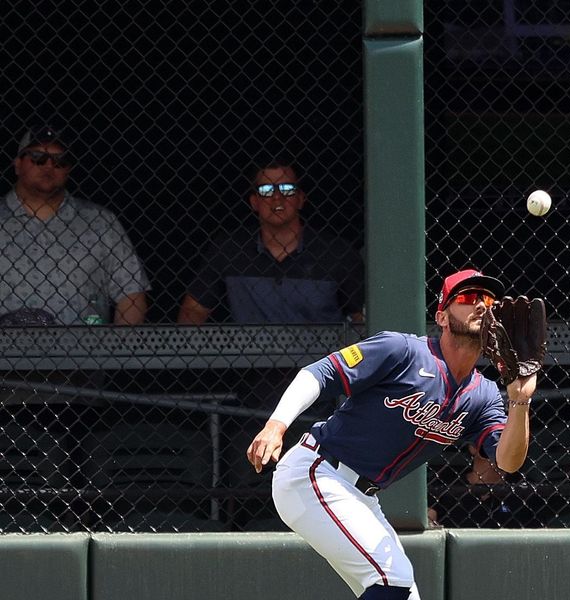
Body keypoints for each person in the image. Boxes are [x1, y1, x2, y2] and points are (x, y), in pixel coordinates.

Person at [246, 269, 538, 599]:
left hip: (362, 496)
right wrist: (276, 424)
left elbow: (508, 462)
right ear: (441, 316)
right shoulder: (402, 350)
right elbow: (320, 373)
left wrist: (520, 398)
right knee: (392, 579)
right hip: (317, 472)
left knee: (405, 593)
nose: (482, 306)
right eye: (470, 298)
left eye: (489, 301)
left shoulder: (483, 395)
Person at [177, 159, 364, 324]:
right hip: (249, 361)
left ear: (301, 199)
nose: (277, 197)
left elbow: (362, 317)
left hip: (320, 362)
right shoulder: (230, 250)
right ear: (254, 202)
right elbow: (193, 311)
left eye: (287, 189)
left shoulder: (336, 253)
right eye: (266, 190)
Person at [0, 125, 150, 325]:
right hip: (6, 353)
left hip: (82, 353)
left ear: (69, 169)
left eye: (60, 160)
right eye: (37, 157)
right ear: (18, 164)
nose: (49, 166)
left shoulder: (100, 222)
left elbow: (131, 295)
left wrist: (120, 351)